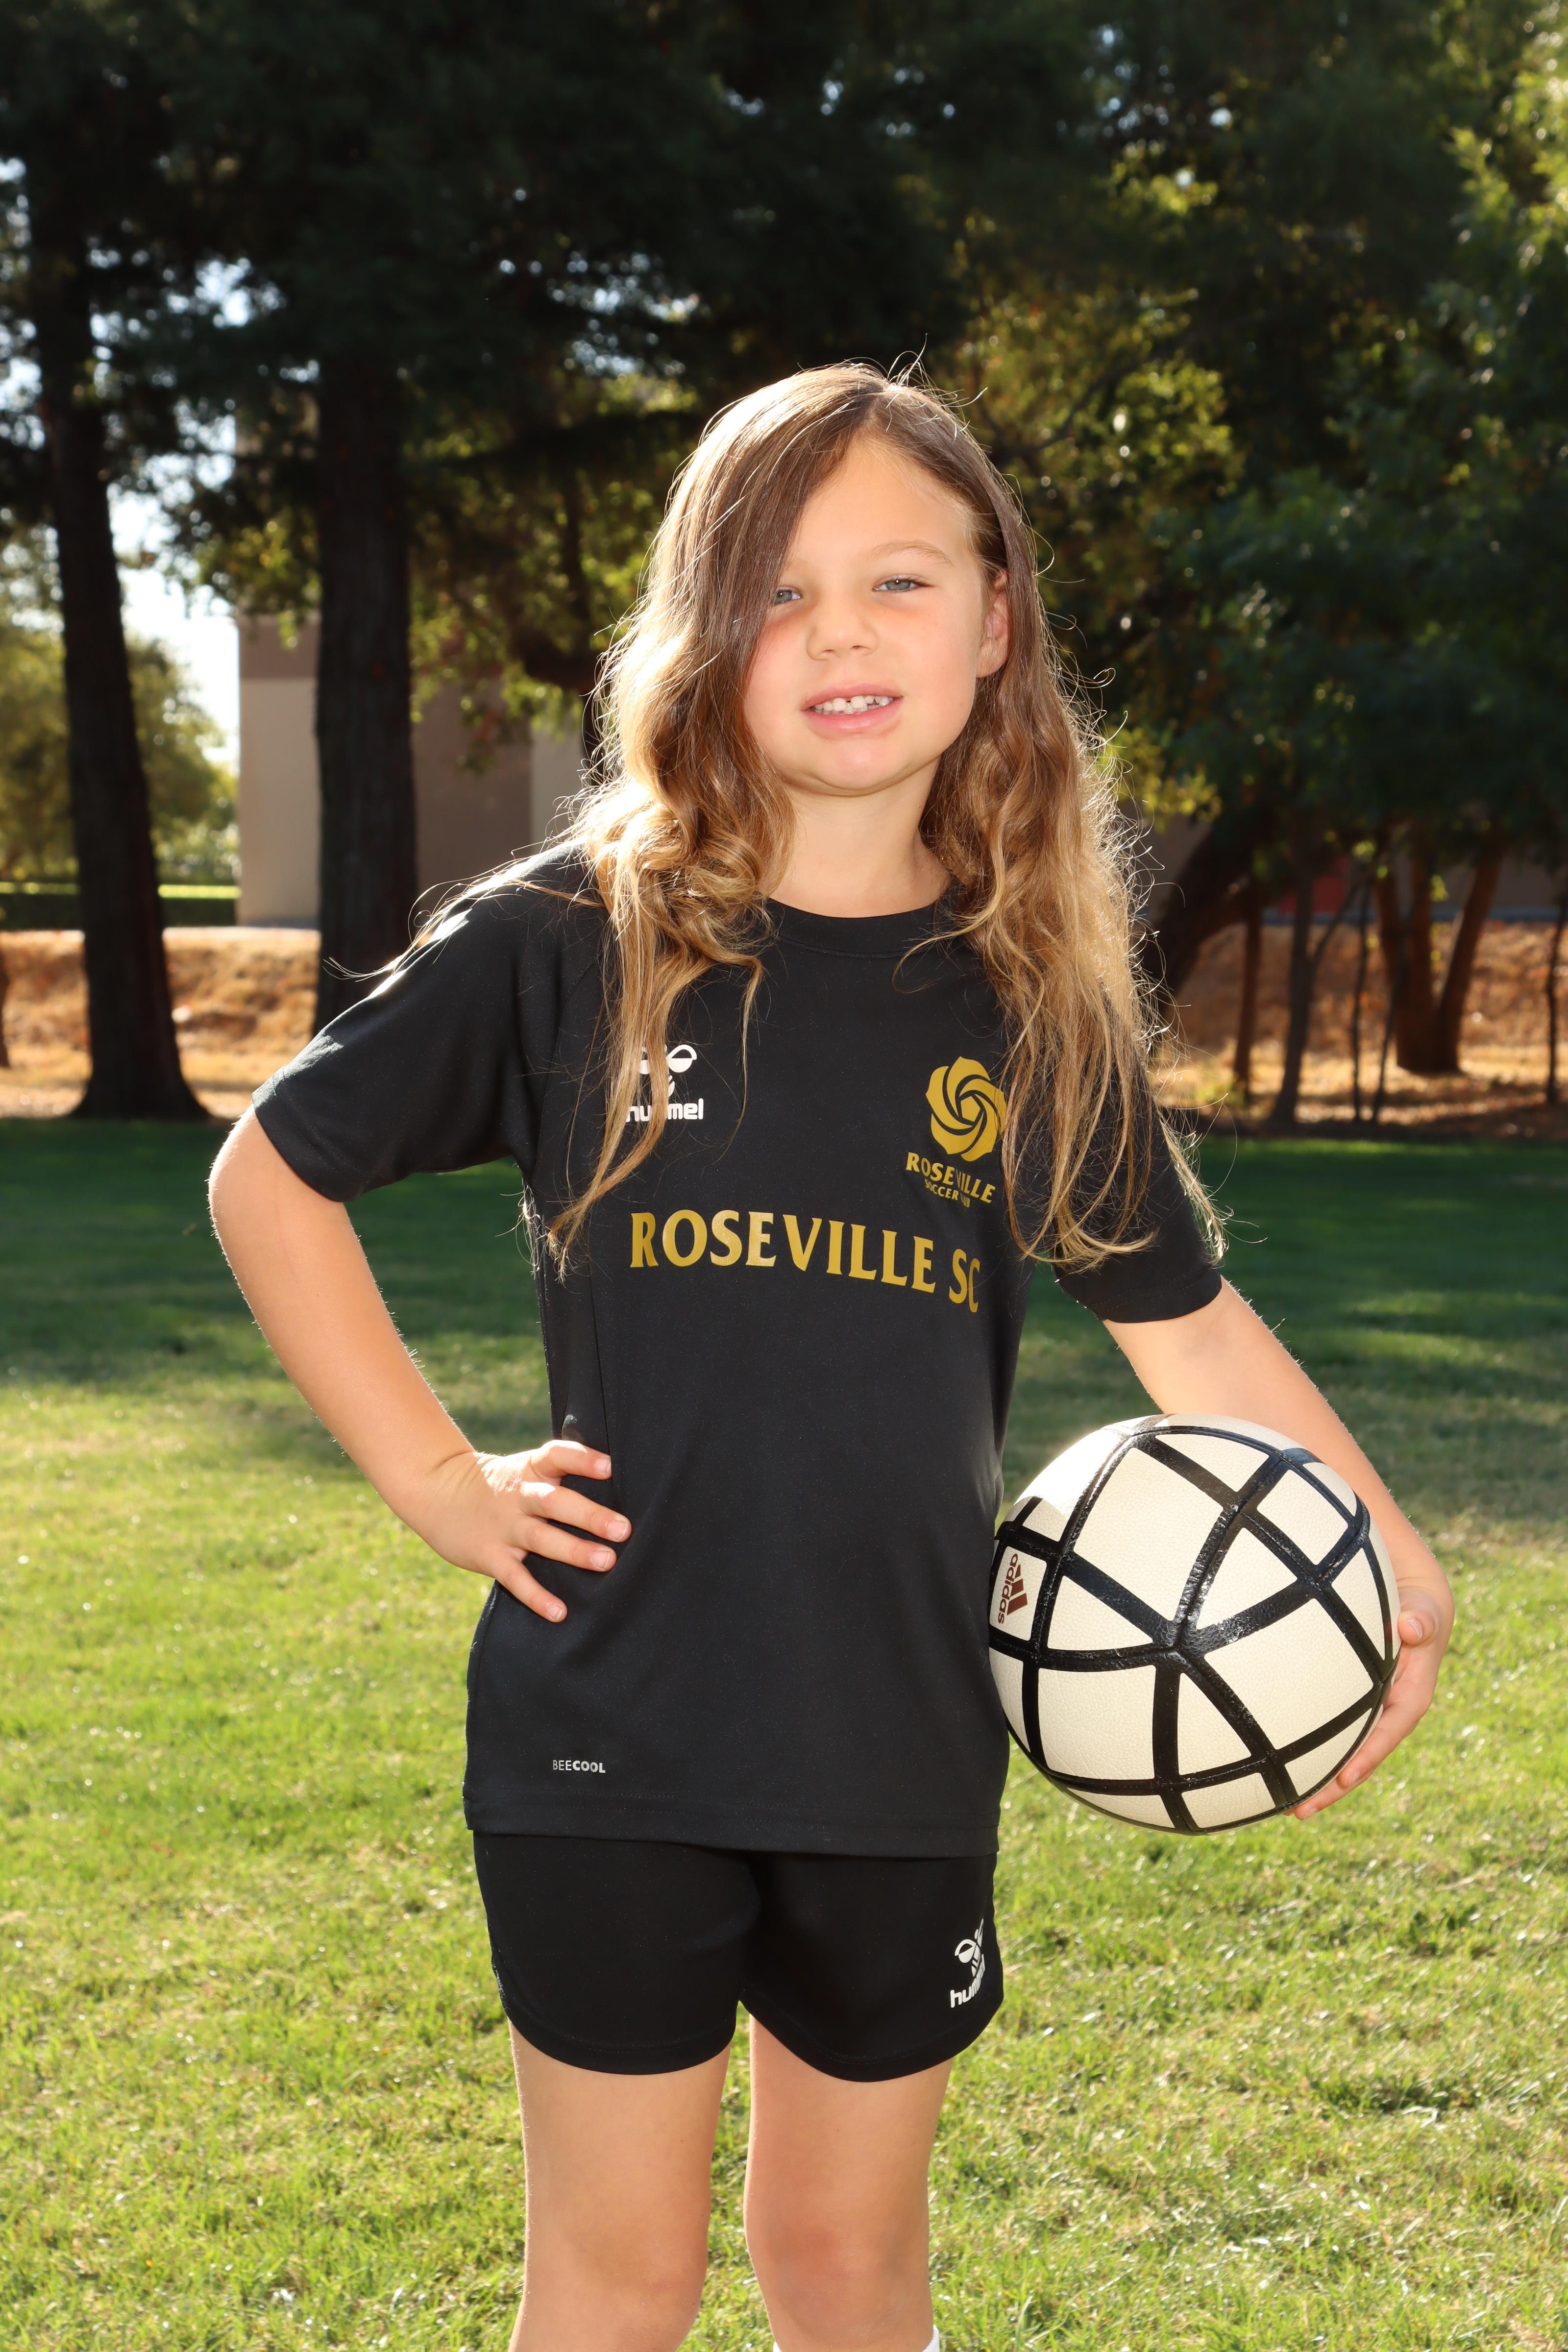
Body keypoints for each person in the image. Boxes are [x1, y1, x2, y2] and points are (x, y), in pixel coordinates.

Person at [208, 364, 1454, 2352]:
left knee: (850, 2267)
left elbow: (1185, 1322)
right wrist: (440, 1482)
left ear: (994, 625)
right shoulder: (571, 942)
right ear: (704, 639)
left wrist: (1383, 1558)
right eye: (776, 591)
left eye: (896, 580)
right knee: (617, 2283)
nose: (840, 634)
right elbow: (273, 1174)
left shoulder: (1028, 1010)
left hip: (899, 1734)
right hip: (609, 1736)